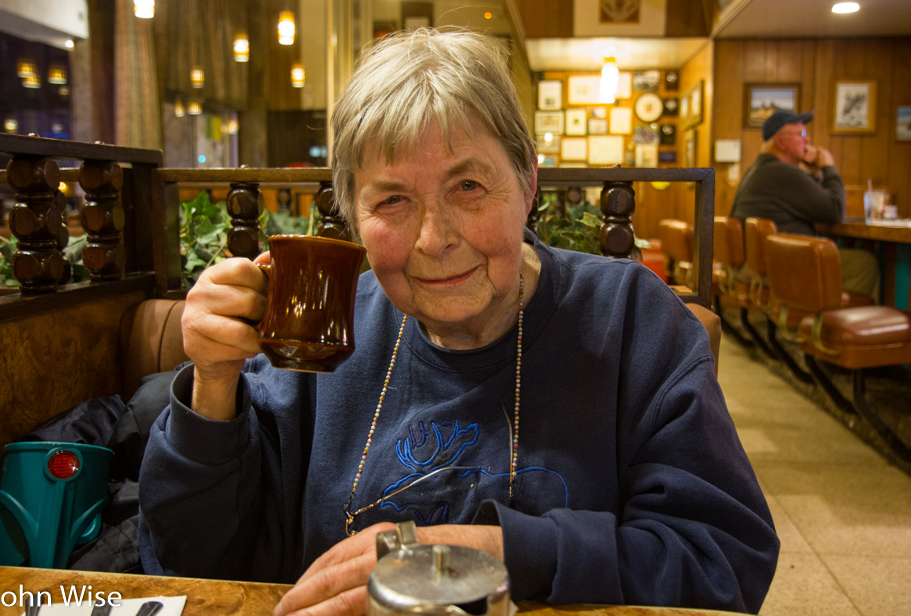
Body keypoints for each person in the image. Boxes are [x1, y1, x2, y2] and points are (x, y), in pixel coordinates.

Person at [138, 28, 779, 615]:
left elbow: (724, 564)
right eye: (392, 199)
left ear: (527, 183)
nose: (433, 239)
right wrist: (213, 386)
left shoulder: (632, 319)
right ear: (354, 216)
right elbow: (192, 566)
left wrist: (494, 555)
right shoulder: (323, 337)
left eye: (468, 186)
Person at [730, 110, 880, 301]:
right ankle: (825, 322)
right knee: (864, 263)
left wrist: (814, 173)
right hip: (782, 266)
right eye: (801, 134)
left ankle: (818, 319)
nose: (808, 139)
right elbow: (835, 210)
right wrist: (828, 167)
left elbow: (815, 202)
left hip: (757, 264)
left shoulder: (759, 170)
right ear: (780, 141)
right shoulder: (783, 172)